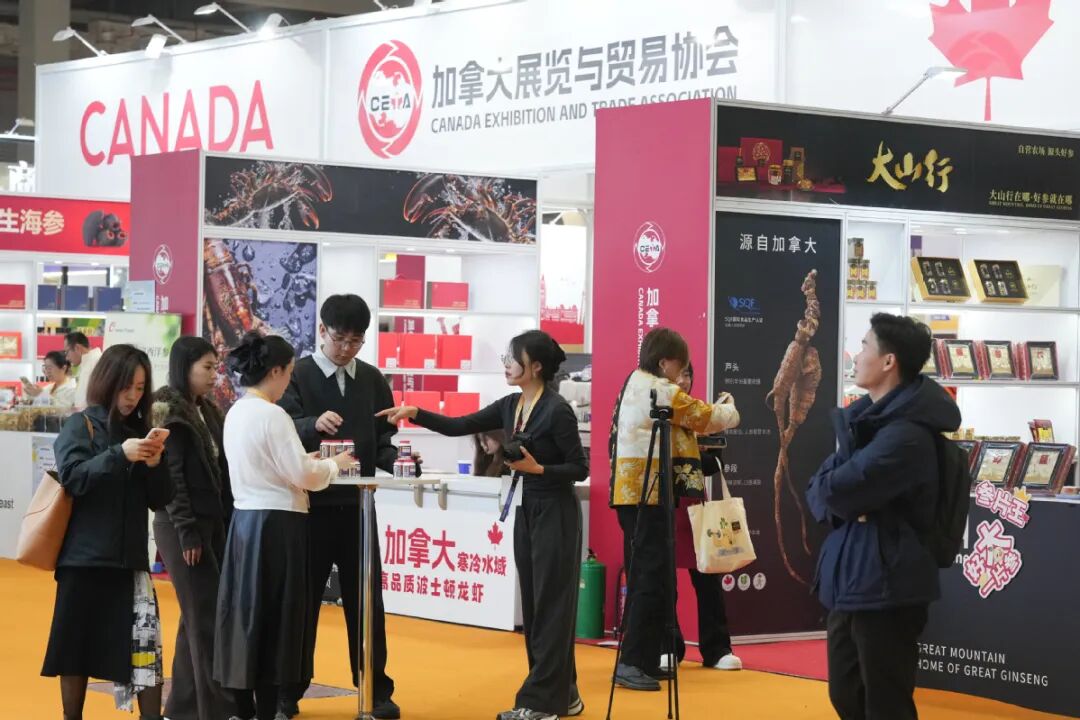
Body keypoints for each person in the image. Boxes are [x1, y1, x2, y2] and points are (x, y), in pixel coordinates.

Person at [380, 329, 588, 720]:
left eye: (513, 358)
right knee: (537, 607)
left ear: (535, 367)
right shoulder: (512, 405)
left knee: (551, 607)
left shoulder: (557, 410)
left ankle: (539, 703)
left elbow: (579, 467)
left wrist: (539, 469)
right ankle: (565, 694)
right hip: (526, 508)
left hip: (555, 511)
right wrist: (416, 413)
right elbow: (459, 424)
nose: (506, 364)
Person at [806, 314, 960, 720]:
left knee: (886, 703)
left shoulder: (906, 436)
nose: (856, 356)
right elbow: (818, 488)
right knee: (846, 695)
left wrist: (839, 495)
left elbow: (840, 488)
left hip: (888, 585)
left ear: (889, 361)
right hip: (853, 579)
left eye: (864, 346)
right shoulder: (865, 423)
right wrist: (841, 499)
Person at [214, 332, 355, 720]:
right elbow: (302, 474)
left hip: (245, 522)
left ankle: (242, 707)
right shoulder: (273, 415)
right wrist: (334, 465)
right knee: (276, 620)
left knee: (245, 614)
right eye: (289, 373)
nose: (289, 380)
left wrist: (309, 465)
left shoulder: (236, 411)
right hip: (278, 524)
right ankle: (266, 707)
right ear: (275, 371)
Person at [278, 294, 406, 720]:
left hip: (358, 506)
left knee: (367, 601)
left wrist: (399, 460)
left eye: (356, 341)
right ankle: (287, 691)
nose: (347, 348)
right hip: (309, 506)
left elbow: (383, 440)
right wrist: (310, 425)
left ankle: (374, 688)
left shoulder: (372, 379)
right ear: (322, 331)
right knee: (301, 602)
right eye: (340, 339)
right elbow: (281, 429)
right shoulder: (297, 375)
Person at [42, 344, 173, 720]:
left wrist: (156, 464)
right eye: (126, 386)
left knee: (145, 652)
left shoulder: (140, 431)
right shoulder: (80, 425)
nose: (133, 396)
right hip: (84, 560)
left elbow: (160, 499)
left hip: (130, 562)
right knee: (75, 652)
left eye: (140, 388)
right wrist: (120, 455)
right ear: (107, 382)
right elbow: (73, 478)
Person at [608, 327, 739, 692]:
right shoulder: (659, 389)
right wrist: (730, 411)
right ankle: (632, 661)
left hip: (636, 494)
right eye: (680, 366)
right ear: (665, 362)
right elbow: (703, 416)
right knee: (650, 581)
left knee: (654, 579)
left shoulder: (634, 383)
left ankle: (648, 658)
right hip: (647, 494)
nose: (681, 375)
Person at [150, 337, 241, 720]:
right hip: (181, 527)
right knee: (205, 618)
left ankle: (183, 707)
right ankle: (215, 710)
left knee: (196, 616)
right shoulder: (168, 412)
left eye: (215, 366)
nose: (214, 374)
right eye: (207, 367)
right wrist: (187, 531)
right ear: (184, 367)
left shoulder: (206, 410)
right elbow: (172, 480)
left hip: (211, 523)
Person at [664, 363, 742, 672]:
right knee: (664, 581)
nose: (683, 381)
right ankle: (668, 647)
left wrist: (693, 452)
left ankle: (717, 648)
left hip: (696, 504)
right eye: (679, 374)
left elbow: (713, 464)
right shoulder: (657, 411)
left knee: (709, 578)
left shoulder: (700, 414)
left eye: (688, 375)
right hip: (661, 505)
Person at [66, 331, 103, 410]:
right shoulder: (86, 363)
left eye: (67, 352)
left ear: (77, 348)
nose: (67, 358)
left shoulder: (97, 362)